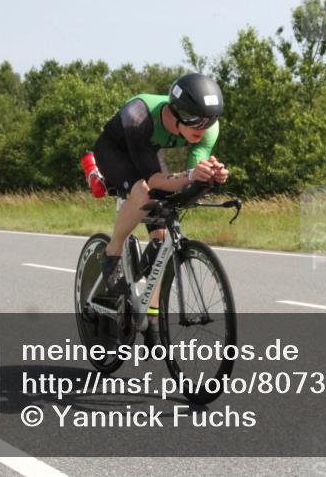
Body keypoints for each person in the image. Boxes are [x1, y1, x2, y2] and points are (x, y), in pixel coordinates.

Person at [90, 73, 229, 345]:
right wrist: (190, 175)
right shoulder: (138, 114)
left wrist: (211, 175)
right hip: (116, 152)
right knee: (144, 192)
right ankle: (112, 251)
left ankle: (152, 314)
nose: (202, 127)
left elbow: (195, 166)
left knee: (162, 240)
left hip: (150, 154)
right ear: (177, 110)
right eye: (195, 119)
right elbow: (153, 179)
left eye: (209, 119)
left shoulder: (208, 127)